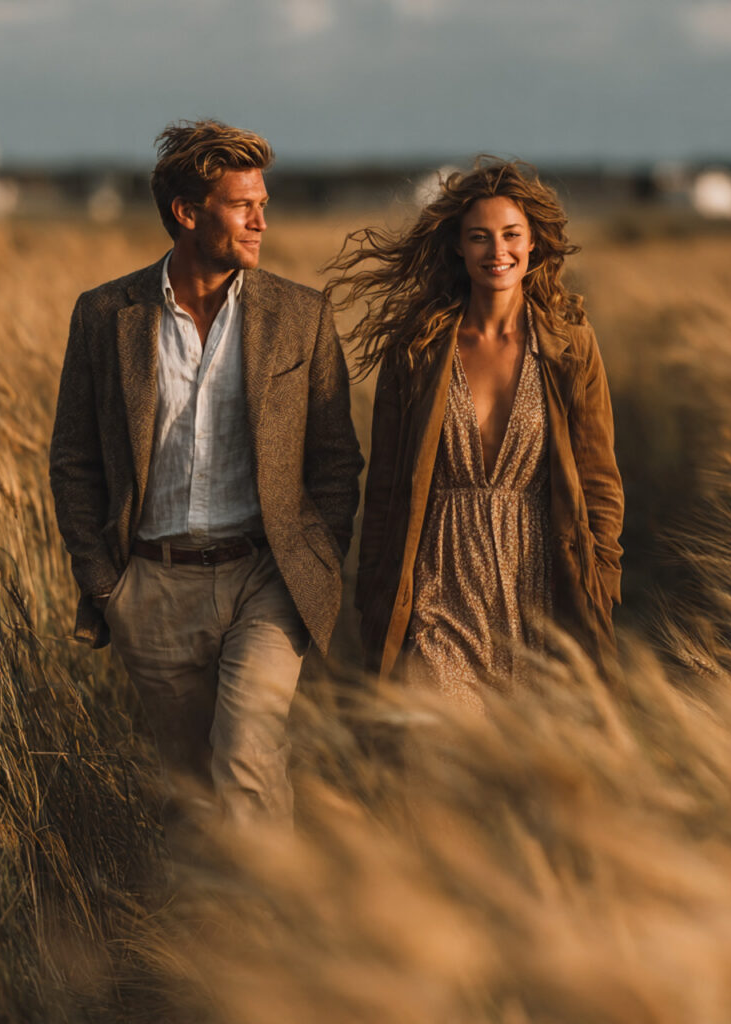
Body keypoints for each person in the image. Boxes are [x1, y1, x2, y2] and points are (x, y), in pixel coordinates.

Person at [49, 120, 363, 825]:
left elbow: (336, 458)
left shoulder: (300, 315)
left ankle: (269, 931)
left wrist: (316, 556)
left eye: (263, 203)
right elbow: (73, 460)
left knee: (246, 761)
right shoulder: (106, 316)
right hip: (151, 587)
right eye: (241, 205)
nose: (260, 220)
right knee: (192, 793)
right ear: (188, 214)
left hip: (266, 578)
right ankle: (208, 932)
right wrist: (106, 583)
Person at [328, 160, 623, 706]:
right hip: (439, 582)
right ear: (458, 249)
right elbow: (388, 483)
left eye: (511, 235)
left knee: (529, 770)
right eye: (480, 237)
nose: (497, 251)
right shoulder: (416, 349)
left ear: (534, 243)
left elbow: (599, 478)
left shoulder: (570, 346)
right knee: (435, 758)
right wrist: (374, 591)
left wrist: (599, 580)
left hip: (539, 582)